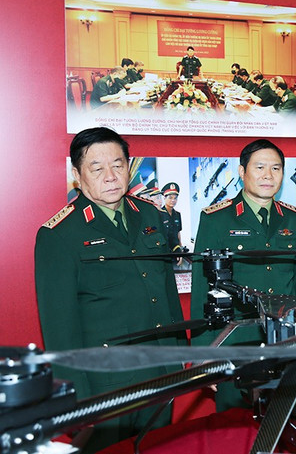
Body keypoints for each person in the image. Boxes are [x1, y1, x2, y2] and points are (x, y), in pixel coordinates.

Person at [34, 127, 185, 452]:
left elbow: (166, 291)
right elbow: (59, 328)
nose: (111, 176)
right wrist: (77, 398)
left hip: (161, 371)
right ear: (77, 175)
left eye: (118, 165)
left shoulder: (150, 214)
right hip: (105, 383)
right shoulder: (59, 234)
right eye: (97, 168)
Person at [191, 139, 296, 409]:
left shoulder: (293, 219)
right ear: (241, 171)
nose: (268, 175)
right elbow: (202, 288)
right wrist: (205, 352)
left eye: (276, 168)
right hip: (235, 343)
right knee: (234, 423)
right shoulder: (216, 219)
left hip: (284, 343)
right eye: (259, 167)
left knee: (284, 421)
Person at [161, 182, 182, 251]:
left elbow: (178, 233)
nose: (173, 200)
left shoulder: (177, 215)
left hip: (176, 249)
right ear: (164, 198)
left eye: (175, 198)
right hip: (164, 249)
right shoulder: (159, 214)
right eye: (170, 198)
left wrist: (180, 247)